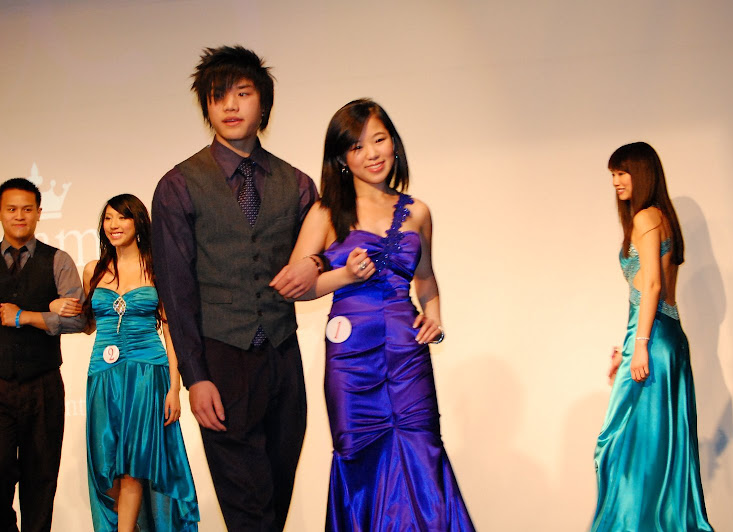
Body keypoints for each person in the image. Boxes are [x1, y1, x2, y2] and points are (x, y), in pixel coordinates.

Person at [271, 98, 474, 531]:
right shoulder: (325, 212)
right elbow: (297, 288)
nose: (372, 153)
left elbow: (426, 279)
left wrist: (434, 317)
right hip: (351, 360)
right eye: (357, 146)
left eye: (379, 140)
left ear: (394, 143)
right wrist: (344, 275)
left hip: (406, 353)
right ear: (341, 159)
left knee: (422, 453)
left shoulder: (418, 211)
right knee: (359, 459)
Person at [151, 45, 320, 531]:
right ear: (206, 106)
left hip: (283, 357)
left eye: (242, 94)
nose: (229, 105)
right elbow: (176, 291)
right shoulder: (179, 185)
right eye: (217, 95)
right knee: (247, 508)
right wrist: (195, 376)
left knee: (276, 495)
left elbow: (331, 249)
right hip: (220, 359)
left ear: (263, 104)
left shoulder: (298, 183)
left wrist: (316, 264)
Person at [591, 142, 713, 531]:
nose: (616, 182)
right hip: (663, 337)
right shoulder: (661, 218)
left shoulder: (646, 217)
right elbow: (644, 289)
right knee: (650, 445)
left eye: (622, 173)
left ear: (641, 173)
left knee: (624, 448)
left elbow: (653, 286)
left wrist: (640, 345)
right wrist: (627, 347)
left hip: (654, 339)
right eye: (613, 175)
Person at [67, 194, 198, 531]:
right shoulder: (92, 270)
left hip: (146, 373)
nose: (114, 225)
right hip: (103, 374)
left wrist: (174, 387)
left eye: (122, 217)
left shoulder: (157, 267)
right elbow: (88, 325)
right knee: (105, 466)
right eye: (108, 218)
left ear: (138, 223)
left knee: (133, 464)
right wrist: (60, 309)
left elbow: (170, 330)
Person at [0, 177, 87, 531]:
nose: (19, 216)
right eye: (11, 209)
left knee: (41, 482)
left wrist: (26, 316)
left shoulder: (58, 260)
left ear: (38, 213)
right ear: (1, 213)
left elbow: (80, 320)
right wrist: (51, 313)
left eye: (26, 209)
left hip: (43, 386)